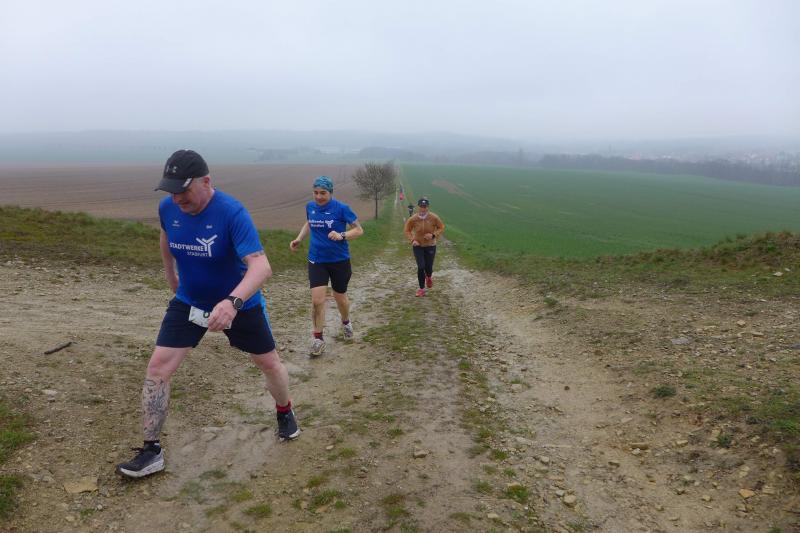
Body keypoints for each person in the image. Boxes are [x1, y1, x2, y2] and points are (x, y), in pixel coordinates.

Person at [117, 149, 299, 479]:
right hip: (190, 301)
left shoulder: (232, 213)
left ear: (206, 181)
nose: (177, 198)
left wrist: (232, 303)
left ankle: (284, 410)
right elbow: (166, 235)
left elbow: (261, 266)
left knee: (269, 363)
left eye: (183, 190)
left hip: (240, 304)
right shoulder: (168, 207)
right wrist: (170, 273)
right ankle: (151, 450)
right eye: (171, 191)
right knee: (158, 367)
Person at [290, 176, 363, 356]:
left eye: (323, 193)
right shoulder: (310, 207)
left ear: (330, 193)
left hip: (339, 260)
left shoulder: (342, 208)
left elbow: (359, 230)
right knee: (317, 301)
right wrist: (299, 238)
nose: (318, 197)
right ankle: (318, 339)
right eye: (315, 193)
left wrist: (342, 235)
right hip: (317, 260)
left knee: (340, 298)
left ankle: (346, 322)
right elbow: (309, 222)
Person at [403, 197, 445, 297]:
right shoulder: (413, 219)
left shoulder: (434, 217)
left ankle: (429, 277)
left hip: (430, 246)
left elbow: (441, 227)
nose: (423, 208)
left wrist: (433, 235)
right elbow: (407, 230)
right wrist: (412, 240)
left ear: (427, 207)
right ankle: (421, 289)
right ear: (418, 207)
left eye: (425, 206)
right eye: (421, 206)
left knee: (428, 267)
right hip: (418, 246)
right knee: (421, 267)